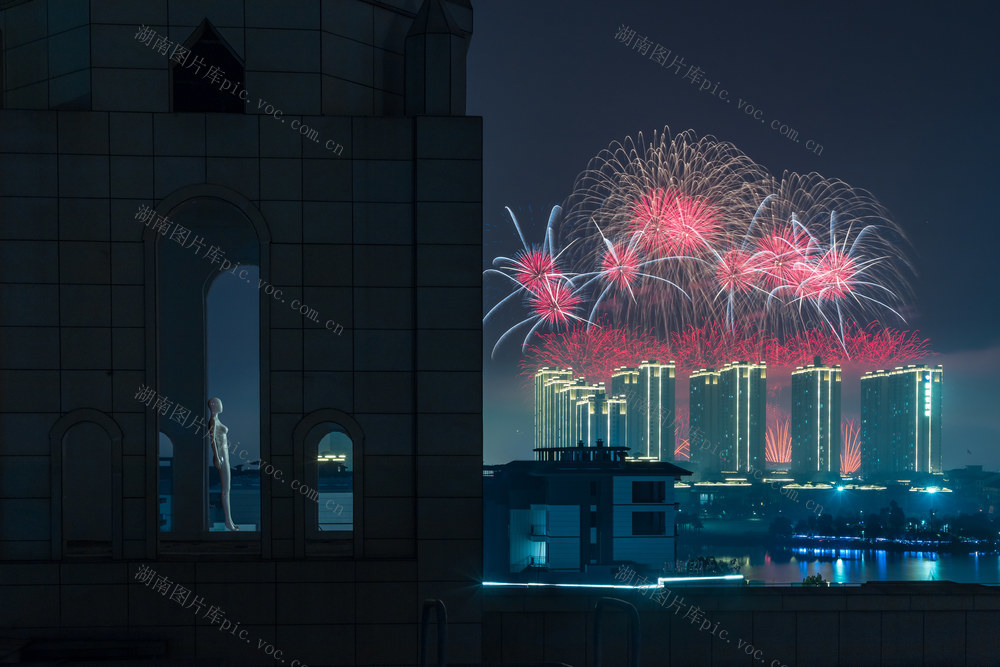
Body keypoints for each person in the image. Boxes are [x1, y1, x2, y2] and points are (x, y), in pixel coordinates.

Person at [207, 397, 239, 531]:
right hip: (221, 457)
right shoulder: (213, 421)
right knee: (226, 490)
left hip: (225, 456)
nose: (221, 405)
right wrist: (216, 456)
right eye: (219, 403)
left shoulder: (217, 420)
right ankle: (228, 521)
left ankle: (229, 520)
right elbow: (212, 439)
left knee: (227, 489)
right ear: (213, 405)